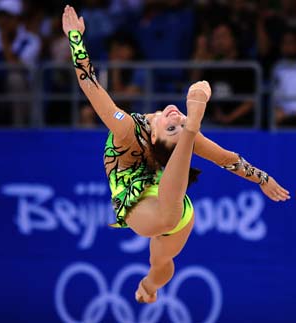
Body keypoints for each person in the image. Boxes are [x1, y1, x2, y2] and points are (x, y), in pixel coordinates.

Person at [62, 5, 290, 303]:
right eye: (181, 123)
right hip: (142, 195)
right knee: (166, 232)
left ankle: (150, 285)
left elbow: (89, 84)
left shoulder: (129, 130)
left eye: (178, 126)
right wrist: (262, 178)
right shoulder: (131, 127)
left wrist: (75, 39)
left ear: (156, 136)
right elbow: (226, 158)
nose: (177, 117)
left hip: (164, 194)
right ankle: (151, 284)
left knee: (160, 264)